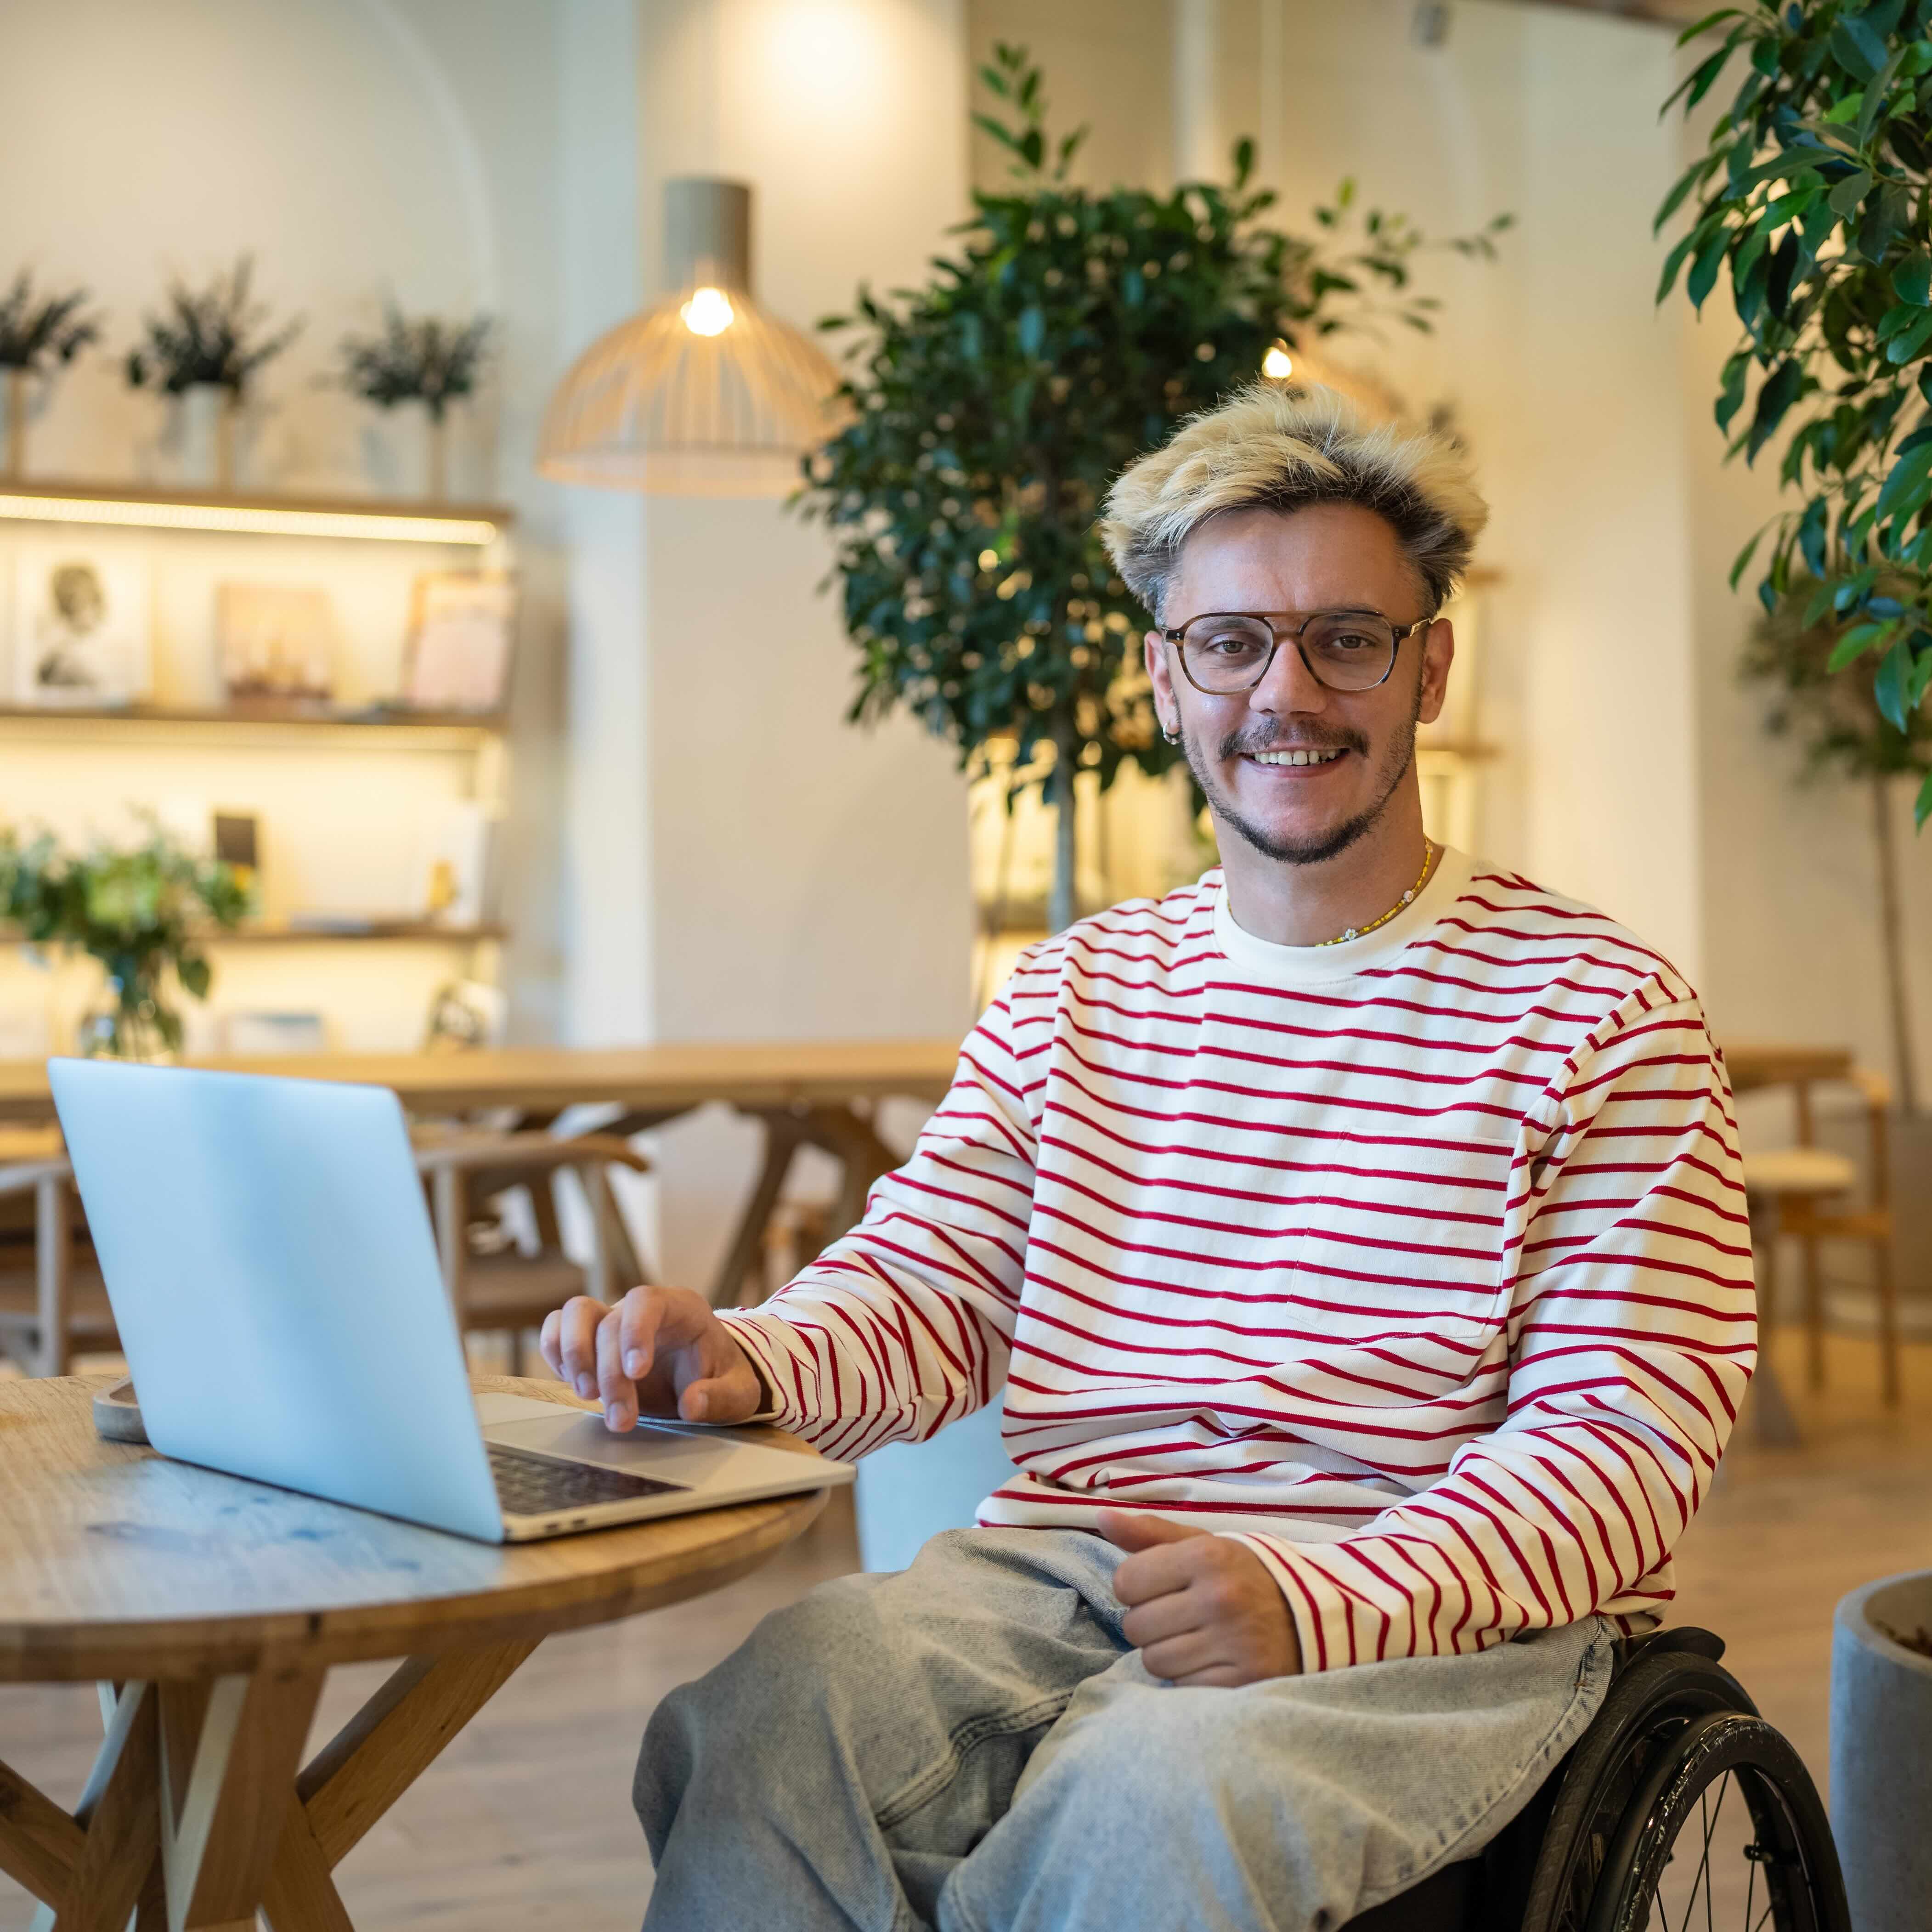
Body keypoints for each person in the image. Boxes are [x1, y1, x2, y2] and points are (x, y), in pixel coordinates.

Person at [542, 383, 1754, 1932]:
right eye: (1232, 642)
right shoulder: (1074, 992)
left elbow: (1623, 1446)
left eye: (1348, 639)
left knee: (1146, 1805)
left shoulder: (1600, 1011)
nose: (1286, 692)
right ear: (1166, 680)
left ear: (1430, 665)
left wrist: (1321, 1599)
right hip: (1070, 1570)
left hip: (1429, 1623)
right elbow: (937, 1287)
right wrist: (746, 1357)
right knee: (763, 1721)